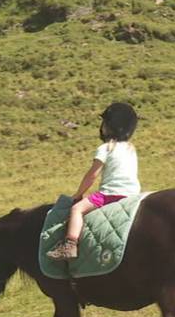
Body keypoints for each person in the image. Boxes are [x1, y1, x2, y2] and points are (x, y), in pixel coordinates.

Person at [47, 102, 140, 260]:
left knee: (77, 209)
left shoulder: (105, 148)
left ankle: (70, 245)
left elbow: (92, 175)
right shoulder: (130, 148)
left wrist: (78, 194)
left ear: (109, 126)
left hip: (109, 195)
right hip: (133, 196)